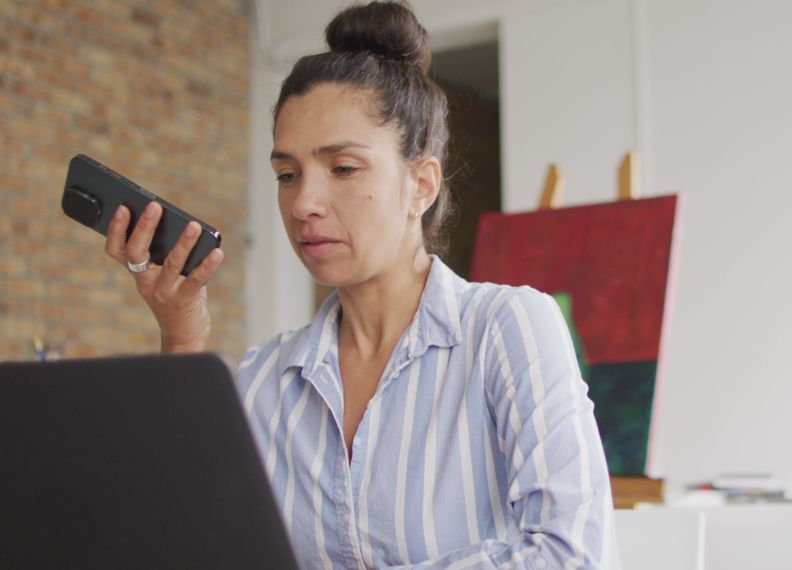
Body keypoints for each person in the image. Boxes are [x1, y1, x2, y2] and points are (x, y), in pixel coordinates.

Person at [102, 1, 619, 568]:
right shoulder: (263, 381)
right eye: (287, 174)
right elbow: (184, 540)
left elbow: (572, 555)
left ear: (421, 185)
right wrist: (181, 336)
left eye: (343, 168)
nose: (303, 203)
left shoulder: (507, 329)